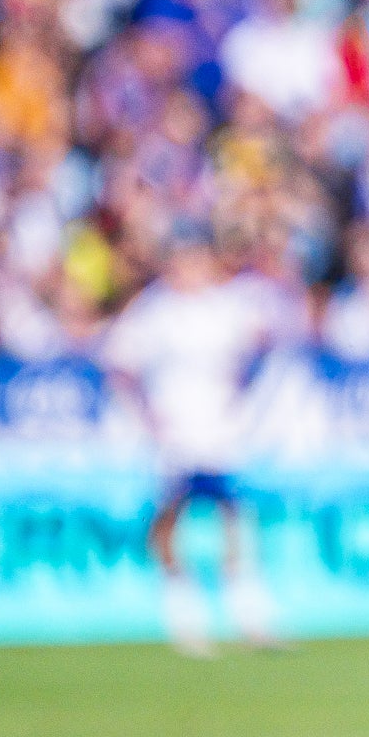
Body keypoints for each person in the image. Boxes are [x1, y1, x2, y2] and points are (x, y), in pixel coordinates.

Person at [101, 218, 294, 656]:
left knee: (232, 510)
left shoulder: (226, 305)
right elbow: (119, 362)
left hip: (220, 425)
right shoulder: (154, 310)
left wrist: (243, 395)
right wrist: (147, 417)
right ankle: (181, 605)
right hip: (174, 426)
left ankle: (246, 605)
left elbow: (265, 343)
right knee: (172, 511)